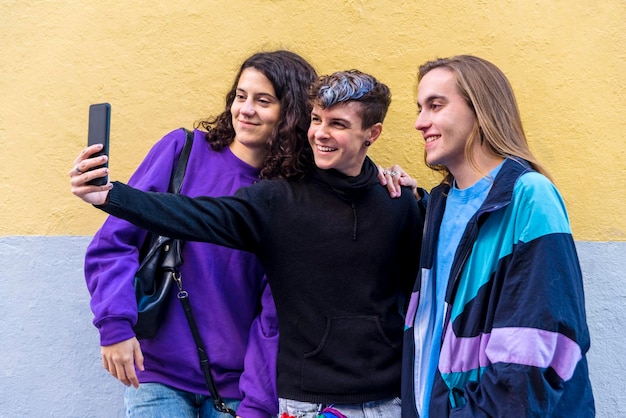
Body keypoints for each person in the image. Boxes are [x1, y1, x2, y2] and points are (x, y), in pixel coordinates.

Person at [70, 70, 424, 418]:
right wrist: (112, 196)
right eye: (317, 119)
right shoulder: (279, 200)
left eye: (339, 124)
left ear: (372, 134)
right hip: (294, 398)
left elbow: (417, 293)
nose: (321, 133)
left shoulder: (398, 202)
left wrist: (417, 196)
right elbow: (192, 215)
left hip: (380, 397)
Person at [80, 50, 318, 418]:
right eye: (240, 96)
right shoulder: (184, 151)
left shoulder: (289, 195)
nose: (246, 109)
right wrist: (114, 325)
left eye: (263, 101)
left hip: (237, 392)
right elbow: (115, 241)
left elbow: (275, 314)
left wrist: (257, 404)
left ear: (291, 115)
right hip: (157, 378)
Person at [400, 55, 595, 417]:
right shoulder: (439, 204)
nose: (419, 122)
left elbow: (535, 353)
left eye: (435, 106)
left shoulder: (529, 197)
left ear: (480, 109)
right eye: (419, 108)